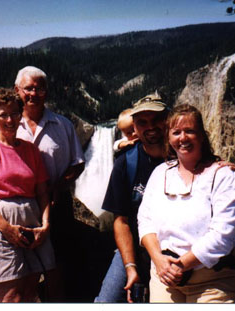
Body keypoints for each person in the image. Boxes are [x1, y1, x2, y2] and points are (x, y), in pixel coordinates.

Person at [138, 104, 235, 303]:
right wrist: (159, 261)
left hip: (214, 280)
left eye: (190, 131)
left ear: (201, 136)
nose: (183, 138)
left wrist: (180, 265)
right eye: (176, 132)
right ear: (168, 138)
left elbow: (223, 235)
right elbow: (145, 221)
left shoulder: (223, 177)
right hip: (165, 278)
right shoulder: (160, 174)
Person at [0, 88, 55, 302]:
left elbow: (42, 192)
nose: (10, 120)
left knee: (30, 292)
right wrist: (6, 228)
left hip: (31, 219)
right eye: (3, 114)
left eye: (15, 113)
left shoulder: (30, 150)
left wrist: (45, 225)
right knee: (12, 296)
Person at [12, 66, 85, 301]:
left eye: (39, 88)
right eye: (28, 88)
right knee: (23, 266)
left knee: (58, 263)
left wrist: (58, 186)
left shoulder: (63, 125)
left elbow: (77, 163)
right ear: (17, 91)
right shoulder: (6, 125)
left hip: (56, 202)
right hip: (20, 204)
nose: (33, 93)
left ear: (46, 92)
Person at [95, 94, 169, 303]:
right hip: (134, 249)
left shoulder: (184, 157)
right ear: (134, 128)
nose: (150, 127)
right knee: (106, 302)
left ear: (168, 121)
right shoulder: (126, 163)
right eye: (143, 122)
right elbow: (121, 221)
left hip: (174, 249)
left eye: (156, 120)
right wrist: (130, 267)